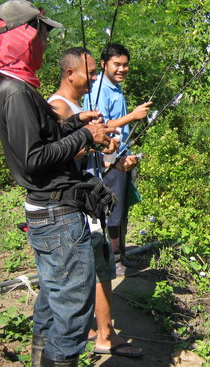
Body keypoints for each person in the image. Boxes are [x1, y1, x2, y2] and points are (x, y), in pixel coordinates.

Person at [0, 0, 118, 367]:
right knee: (74, 312)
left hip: (49, 211)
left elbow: (43, 138)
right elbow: (34, 160)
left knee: (52, 296)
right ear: (26, 38)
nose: (46, 45)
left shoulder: (17, 84)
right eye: (43, 36)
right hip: (56, 214)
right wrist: (86, 138)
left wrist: (77, 124)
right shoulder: (14, 91)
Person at [48, 47, 143, 358]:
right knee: (77, 276)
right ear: (70, 73)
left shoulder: (78, 107)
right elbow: (51, 160)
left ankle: (103, 334)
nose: (94, 78)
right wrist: (90, 138)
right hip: (68, 208)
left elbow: (86, 159)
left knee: (101, 268)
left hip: (89, 198)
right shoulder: (57, 108)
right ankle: (72, 341)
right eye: (91, 73)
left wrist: (112, 160)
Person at [86, 43, 152, 276]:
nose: (122, 69)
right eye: (117, 64)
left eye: (125, 65)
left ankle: (120, 255)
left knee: (121, 207)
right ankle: (114, 262)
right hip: (107, 156)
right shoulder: (99, 90)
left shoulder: (114, 88)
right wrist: (133, 116)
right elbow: (99, 129)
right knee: (113, 208)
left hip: (120, 154)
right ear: (104, 64)